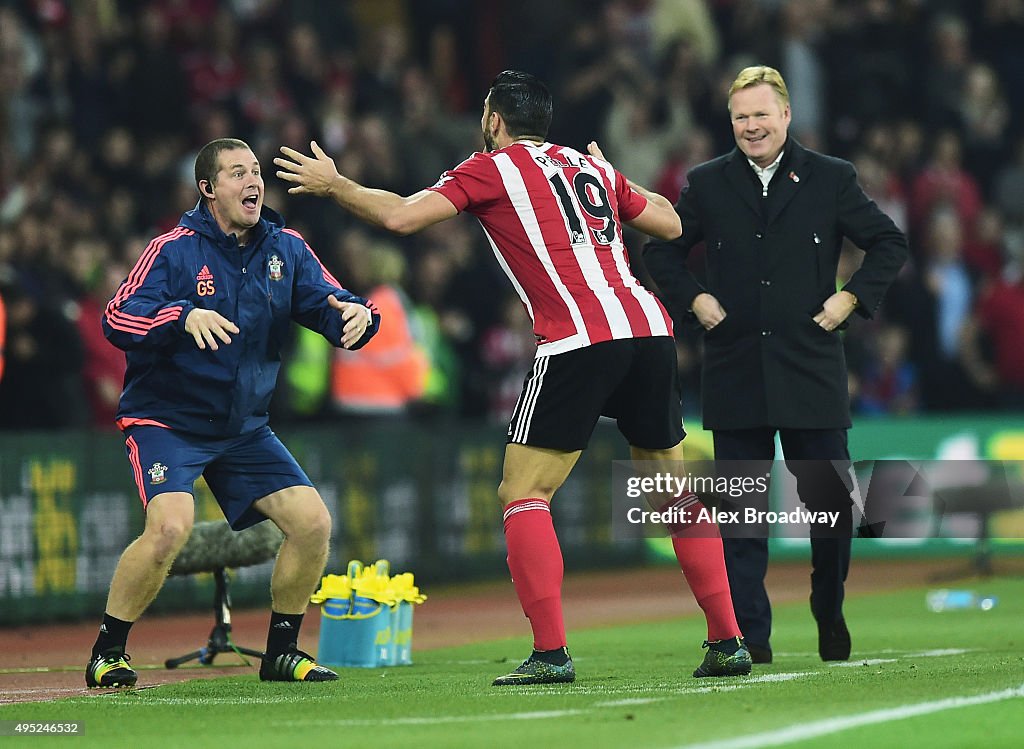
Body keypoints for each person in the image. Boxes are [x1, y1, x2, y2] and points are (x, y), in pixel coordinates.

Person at [275, 70, 752, 684]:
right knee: (673, 489)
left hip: (579, 335)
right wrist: (615, 176)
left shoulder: (490, 167)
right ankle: (727, 640)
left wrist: (336, 185)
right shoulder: (587, 166)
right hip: (649, 329)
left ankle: (551, 653)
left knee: (522, 493)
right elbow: (671, 224)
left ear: (493, 121)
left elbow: (399, 218)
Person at [87, 137, 380, 688]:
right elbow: (117, 317)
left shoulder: (286, 248)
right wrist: (180, 316)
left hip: (243, 429)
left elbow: (335, 302)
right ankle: (109, 650)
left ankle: (282, 654)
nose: (253, 182)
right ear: (208, 190)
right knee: (170, 528)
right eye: (236, 174)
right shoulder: (172, 250)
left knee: (312, 524)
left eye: (255, 172)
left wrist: (360, 317)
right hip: (167, 420)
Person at [644, 66, 908, 664]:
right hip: (736, 367)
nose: (751, 126)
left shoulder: (831, 177)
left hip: (812, 364)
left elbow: (889, 241)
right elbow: (662, 249)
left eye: (761, 114)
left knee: (833, 511)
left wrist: (851, 297)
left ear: (786, 115)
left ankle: (827, 604)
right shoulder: (707, 183)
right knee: (741, 520)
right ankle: (750, 640)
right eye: (741, 117)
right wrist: (694, 298)